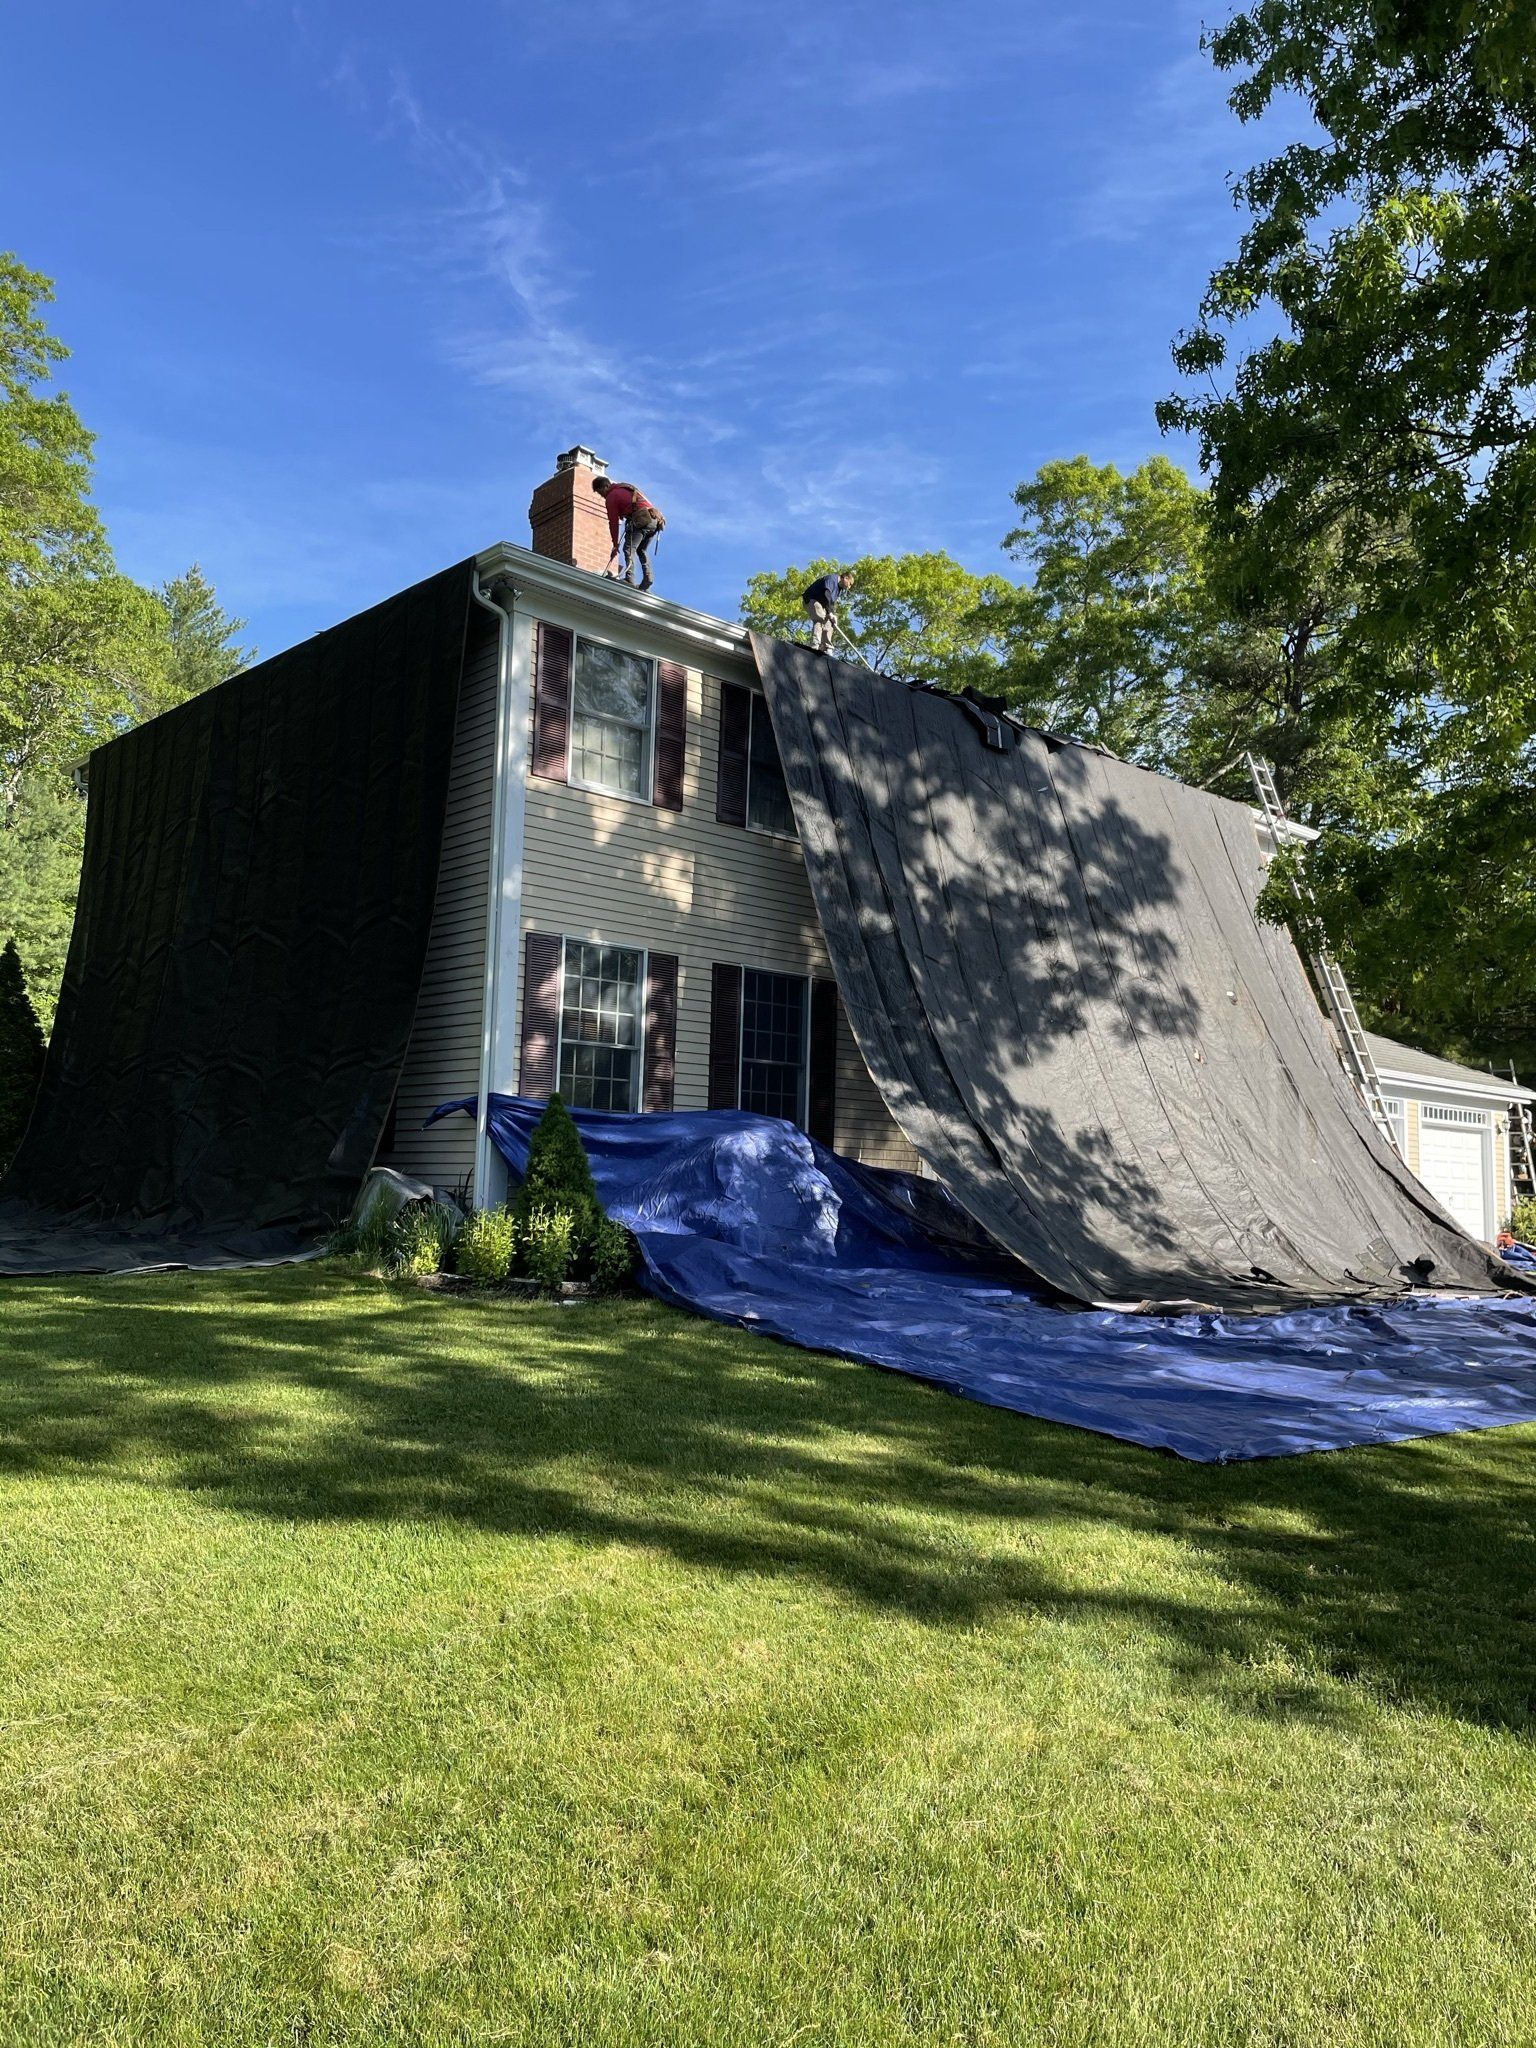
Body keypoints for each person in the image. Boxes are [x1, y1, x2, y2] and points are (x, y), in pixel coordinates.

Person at [592, 476, 666, 591]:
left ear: (606, 486)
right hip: (655, 520)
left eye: (600, 492)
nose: (601, 495)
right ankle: (648, 579)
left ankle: (629, 579)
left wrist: (615, 544)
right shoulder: (624, 488)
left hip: (642, 519)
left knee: (628, 549)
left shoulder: (612, 496)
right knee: (641, 550)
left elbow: (613, 522)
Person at [802, 568, 854, 652]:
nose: (849, 587)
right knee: (820, 618)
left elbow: (831, 603)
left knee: (830, 623)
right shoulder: (832, 579)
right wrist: (829, 612)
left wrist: (832, 615)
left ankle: (826, 647)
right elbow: (827, 594)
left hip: (823, 604)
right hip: (812, 599)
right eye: (850, 584)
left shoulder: (839, 590)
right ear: (845, 578)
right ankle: (815, 644)